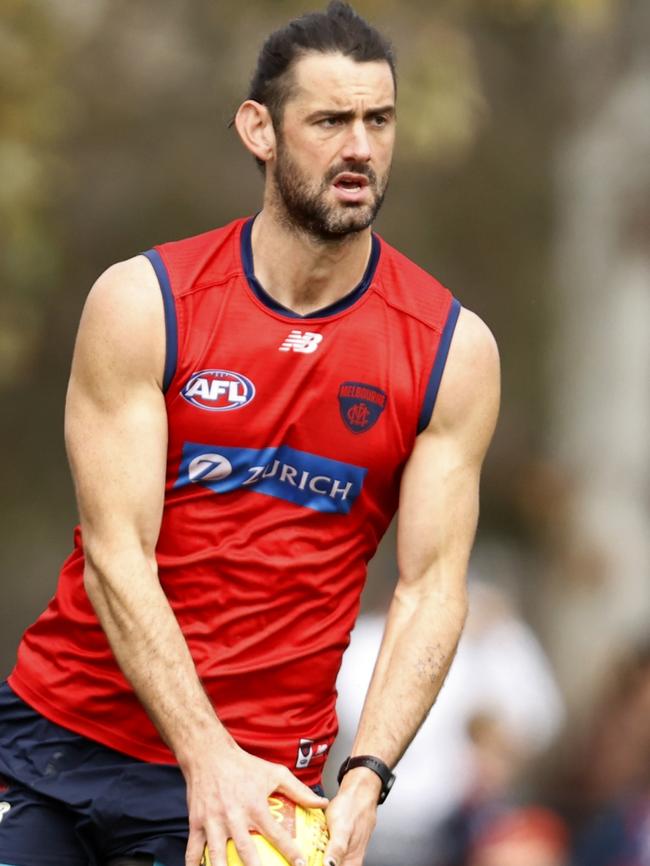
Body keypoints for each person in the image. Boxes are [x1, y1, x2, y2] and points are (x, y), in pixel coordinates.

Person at [0, 4, 500, 866]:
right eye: (330, 121)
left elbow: (429, 590)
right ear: (258, 130)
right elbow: (121, 557)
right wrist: (205, 754)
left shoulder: (452, 350)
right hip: (60, 741)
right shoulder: (144, 303)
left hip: (263, 783)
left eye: (378, 121)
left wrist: (368, 774)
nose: (360, 149)